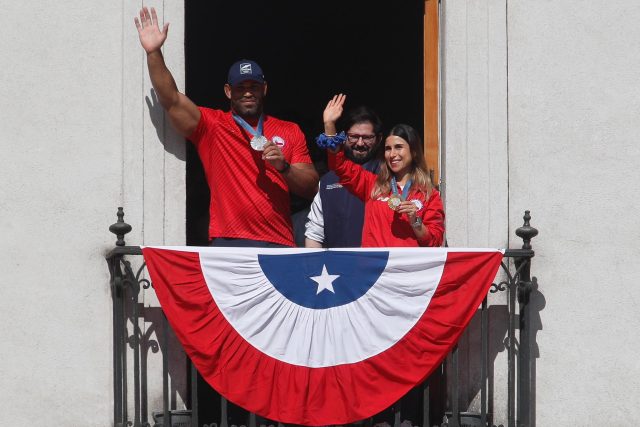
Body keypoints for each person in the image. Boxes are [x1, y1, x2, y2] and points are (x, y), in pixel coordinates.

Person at [134, 7, 319, 248]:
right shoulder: (212, 126)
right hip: (228, 241)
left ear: (265, 89)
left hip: (277, 241)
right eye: (241, 87)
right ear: (228, 91)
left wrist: (283, 167)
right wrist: (153, 52)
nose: (248, 92)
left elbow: (312, 187)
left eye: (254, 86)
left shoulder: (289, 130)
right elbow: (171, 99)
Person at [319, 94, 444, 247]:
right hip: (375, 268)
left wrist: (415, 221)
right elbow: (339, 165)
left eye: (399, 147)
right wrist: (329, 125)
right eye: (388, 149)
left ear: (414, 151)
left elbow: (435, 242)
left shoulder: (429, 194)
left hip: (409, 269)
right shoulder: (372, 185)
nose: (392, 154)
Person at [304, 105, 383, 248]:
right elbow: (314, 234)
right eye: (353, 137)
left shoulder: (388, 177)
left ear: (379, 139)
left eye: (367, 138)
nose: (360, 143)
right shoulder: (327, 181)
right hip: (337, 266)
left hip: (378, 266)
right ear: (343, 137)